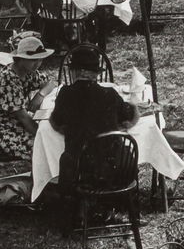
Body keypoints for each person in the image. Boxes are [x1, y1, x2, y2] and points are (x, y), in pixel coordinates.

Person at [48, 46, 138, 190]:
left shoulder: (66, 94)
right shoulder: (110, 94)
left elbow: (57, 121)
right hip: (112, 167)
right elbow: (129, 116)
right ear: (93, 74)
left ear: (78, 71)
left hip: (79, 169)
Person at [0, 34, 60, 147]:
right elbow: (23, 118)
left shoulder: (27, 71)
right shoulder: (7, 79)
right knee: (48, 145)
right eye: (33, 60)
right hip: (3, 130)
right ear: (20, 59)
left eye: (40, 60)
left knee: (52, 136)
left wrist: (40, 95)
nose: (37, 64)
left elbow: (51, 83)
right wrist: (43, 136)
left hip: (16, 122)